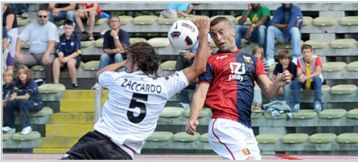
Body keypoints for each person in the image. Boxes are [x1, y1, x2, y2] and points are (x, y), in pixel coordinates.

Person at [61, 16, 211, 160]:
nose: (126, 62)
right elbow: (199, 67)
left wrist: (121, 64)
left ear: (137, 62)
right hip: (122, 153)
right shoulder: (164, 86)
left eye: (128, 59)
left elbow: (100, 73)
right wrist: (203, 35)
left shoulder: (118, 79)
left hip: (93, 141)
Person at [185, 17, 292, 160]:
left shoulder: (253, 60)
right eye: (213, 35)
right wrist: (193, 118)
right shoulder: (211, 62)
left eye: (221, 32)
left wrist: (278, 83)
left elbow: (269, 92)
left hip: (245, 128)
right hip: (223, 125)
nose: (218, 38)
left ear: (232, 31)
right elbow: (201, 92)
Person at [15, 9, 59, 83]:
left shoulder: (51, 26)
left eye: (45, 16)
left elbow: (52, 42)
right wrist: (17, 53)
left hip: (47, 53)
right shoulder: (30, 26)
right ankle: (23, 83)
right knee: (17, 60)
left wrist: (46, 54)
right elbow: (19, 38)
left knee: (48, 61)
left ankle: (49, 83)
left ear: (48, 17)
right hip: (33, 56)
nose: (42, 18)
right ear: (36, 17)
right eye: (40, 16)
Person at [3, 65, 44, 135]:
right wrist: (11, 97)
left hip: (36, 103)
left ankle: (26, 126)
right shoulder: (17, 83)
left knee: (23, 102)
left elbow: (26, 97)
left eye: (24, 73)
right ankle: (10, 127)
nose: (22, 75)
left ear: (27, 74)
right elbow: (15, 93)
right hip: (23, 103)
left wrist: (14, 97)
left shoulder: (32, 83)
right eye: (20, 73)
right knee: (9, 103)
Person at [292, 44, 323, 113]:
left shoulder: (316, 58)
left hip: (313, 81)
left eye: (308, 52)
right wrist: (300, 76)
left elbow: (317, 72)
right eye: (304, 52)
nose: (306, 54)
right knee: (295, 81)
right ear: (302, 53)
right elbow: (299, 72)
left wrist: (306, 76)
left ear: (311, 52)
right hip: (304, 80)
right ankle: (296, 103)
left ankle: (317, 102)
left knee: (317, 79)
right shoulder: (299, 59)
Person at [52, 20, 81, 88]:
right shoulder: (61, 38)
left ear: (73, 29)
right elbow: (59, 50)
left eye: (69, 28)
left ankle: (74, 83)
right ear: (63, 29)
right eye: (66, 28)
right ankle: (56, 83)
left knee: (70, 63)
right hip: (63, 58)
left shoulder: (76, 37)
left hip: (73, 57)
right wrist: (61, 57)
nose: (67, 30)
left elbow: (78, 52)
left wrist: (67, 58)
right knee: (56, 61)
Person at [3, 3, 18, 71]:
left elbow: (8, 27)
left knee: (8, 41)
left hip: (11, 31)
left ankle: (10, 61)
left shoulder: (10, 11)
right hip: (3, 30)